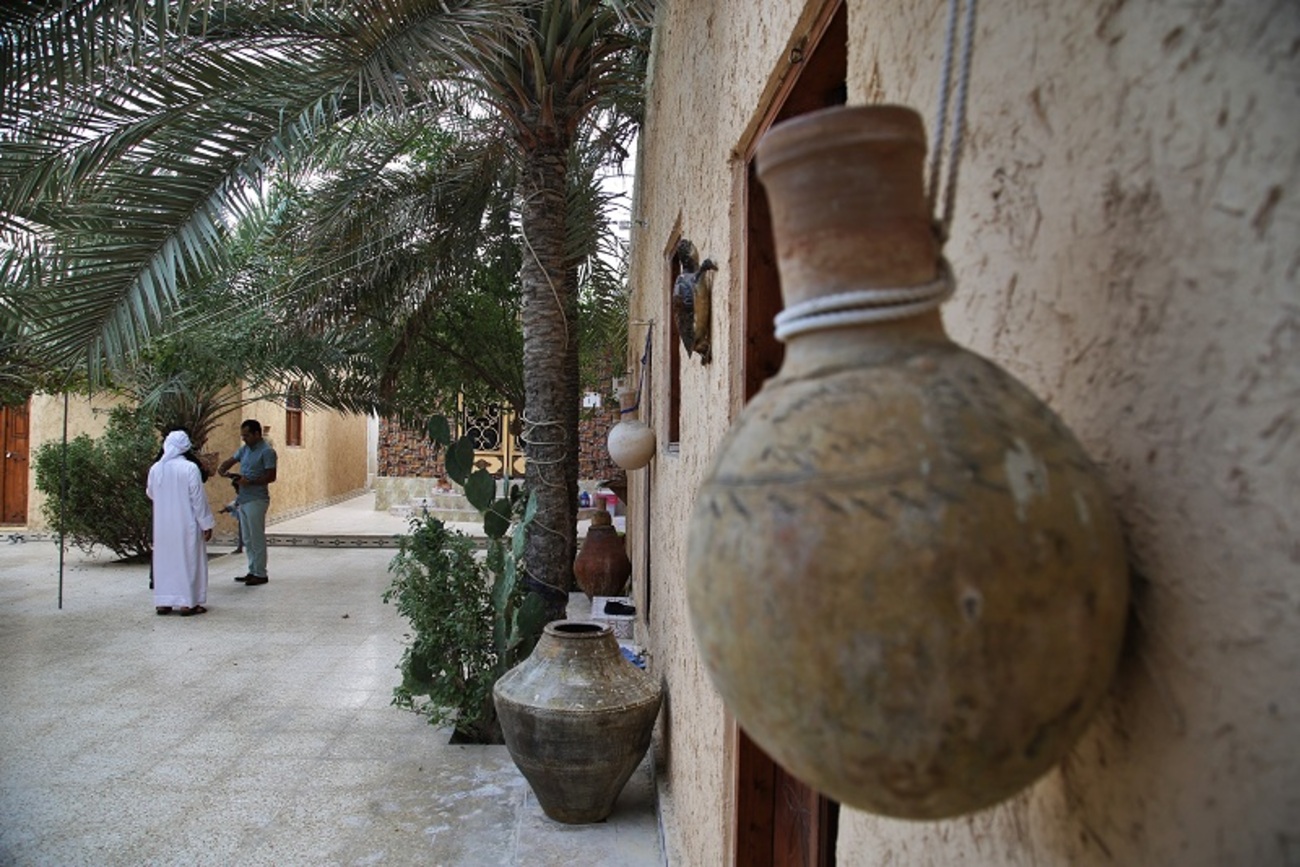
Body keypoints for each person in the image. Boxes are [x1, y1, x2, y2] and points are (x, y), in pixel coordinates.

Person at [147, 429, 216, 616]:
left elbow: (151, 493)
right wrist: (206, 524)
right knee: (188, 560)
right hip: (186, 524)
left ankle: (164, 601)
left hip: (163, 526)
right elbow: (198, 500)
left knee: (165, 561)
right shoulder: (190, 468)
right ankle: (188, 603)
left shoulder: (156, 469)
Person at [218, 419, 277, 586]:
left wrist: (250, 482)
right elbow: (232, 460)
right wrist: (223, 469)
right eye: (242, 436)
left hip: (257, 499)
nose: (244, 439)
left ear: (257, 434)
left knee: (256, 537)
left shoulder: (267, 452)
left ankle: (261, 573)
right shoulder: (244, 450)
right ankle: (252, 570)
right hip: (243, 499)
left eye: (247, 435)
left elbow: (271, 476)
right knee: (248, 538)